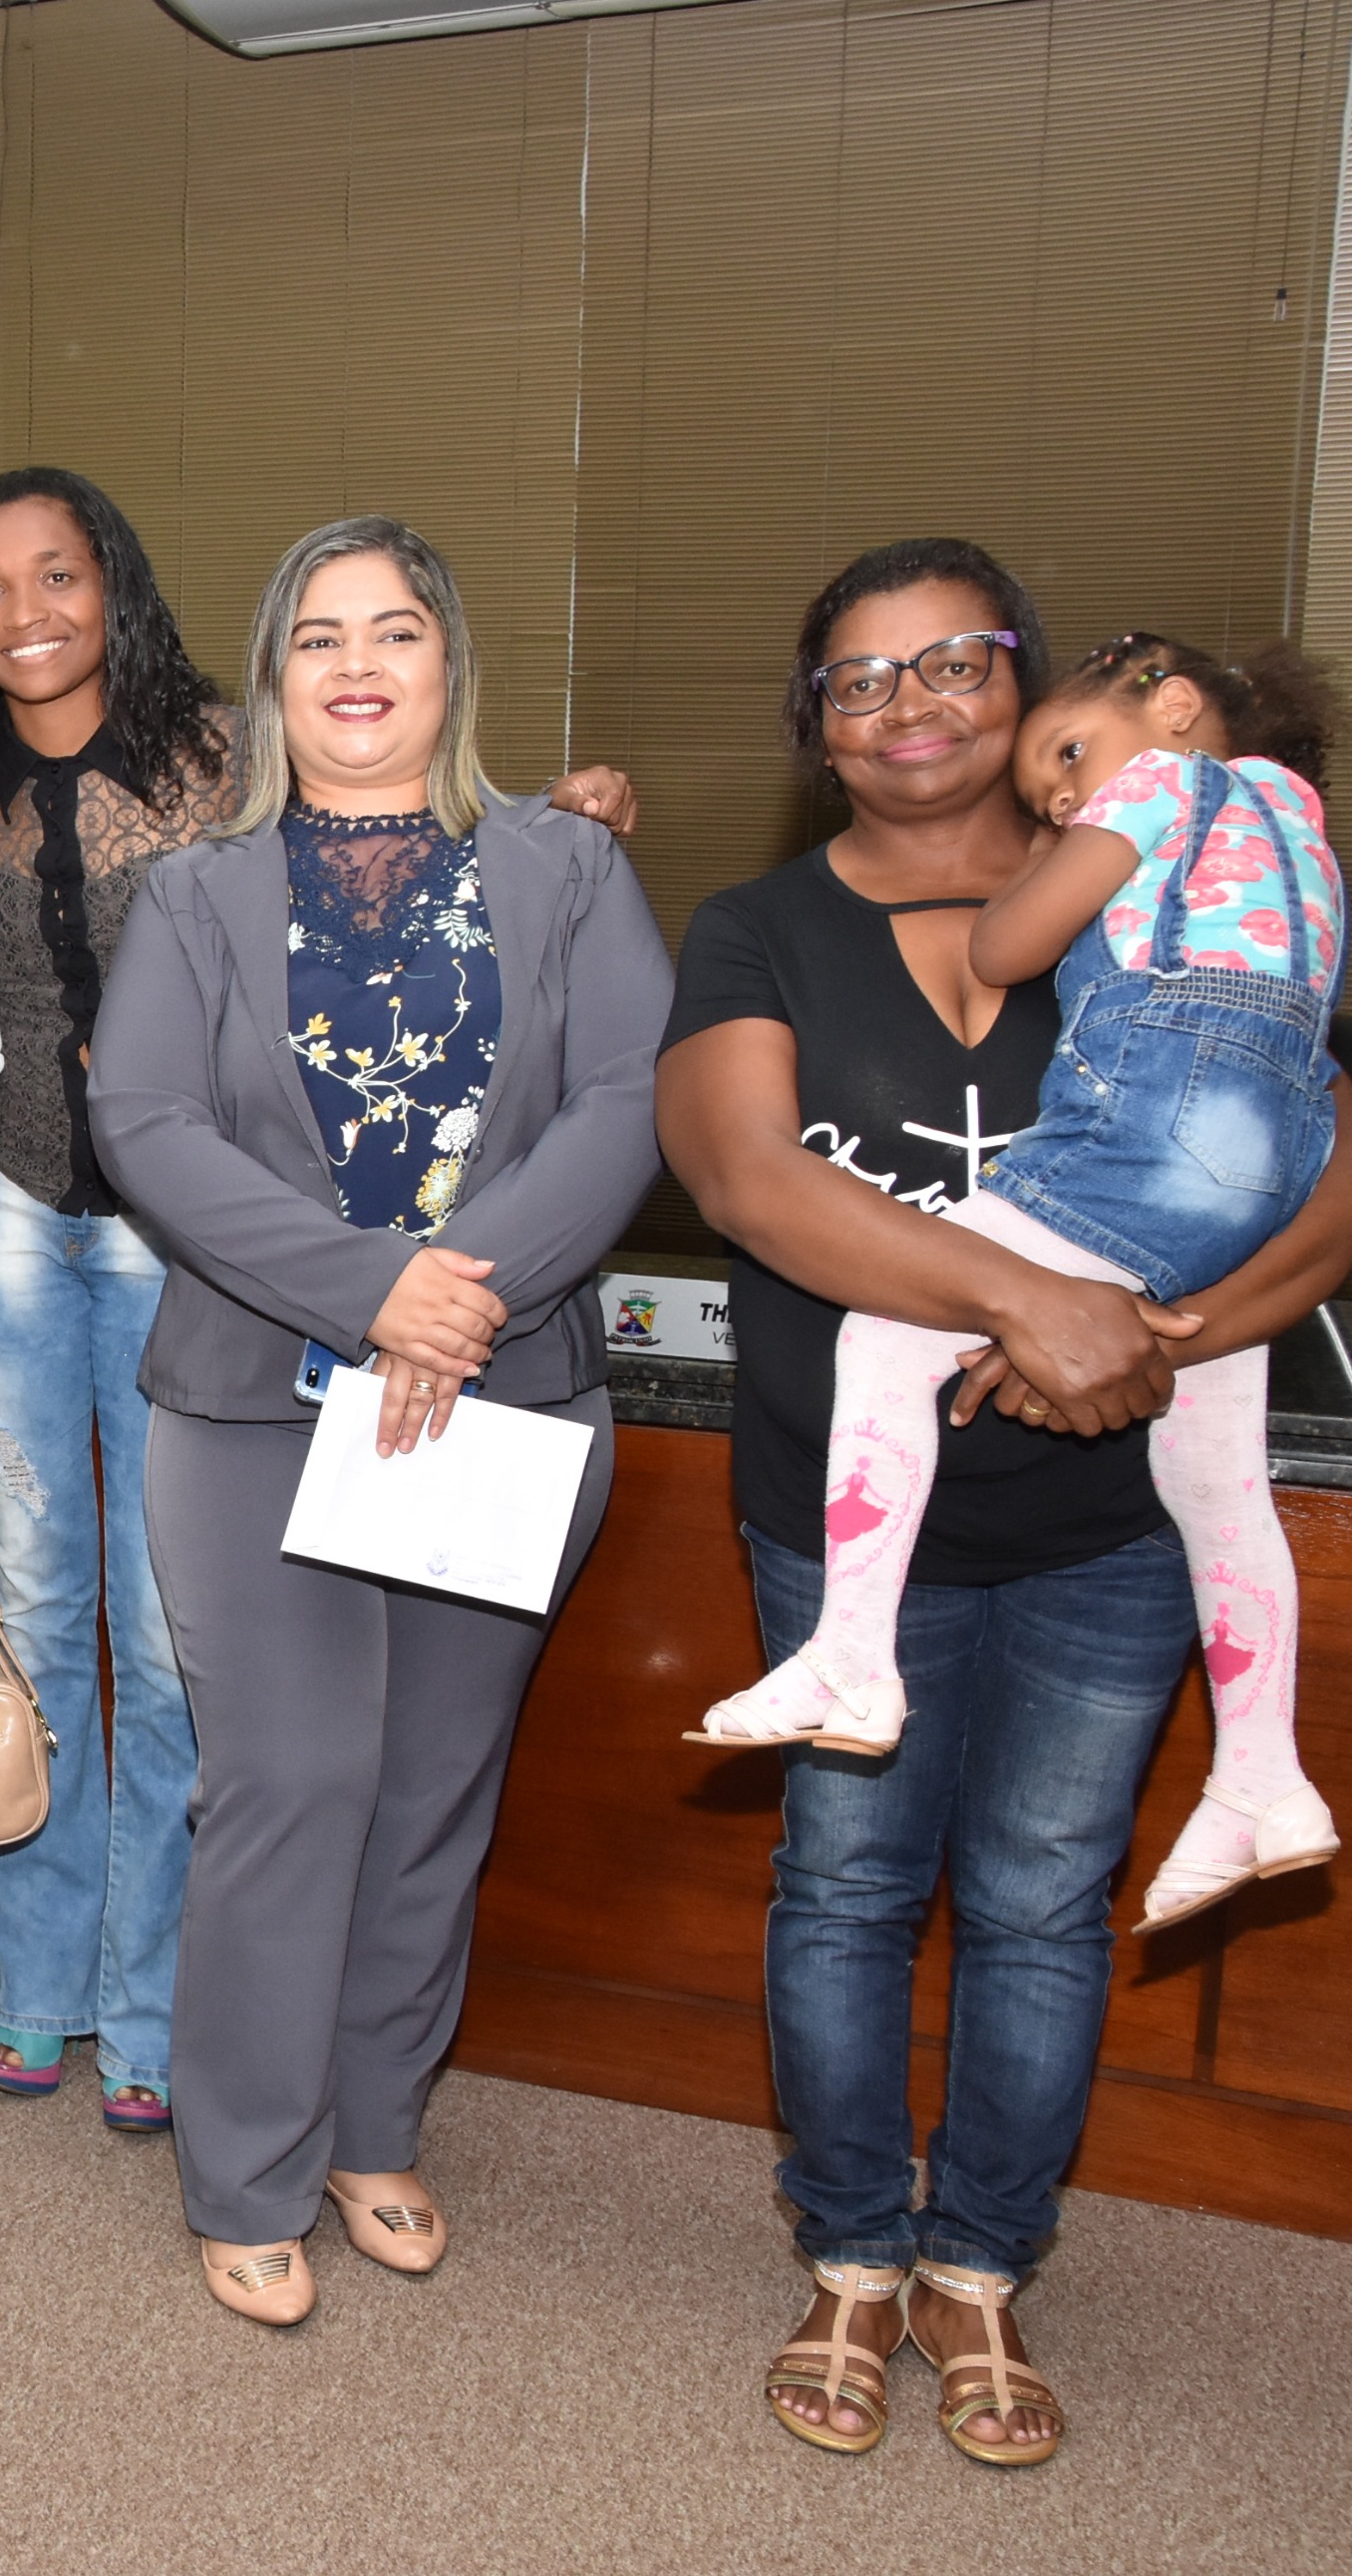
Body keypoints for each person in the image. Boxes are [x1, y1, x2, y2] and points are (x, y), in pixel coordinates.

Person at [656, 540, 1352, 2465]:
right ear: (815, 728)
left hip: (1105, 1526)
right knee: (844, 1884)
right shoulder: (758, 926)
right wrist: (1027, 1300)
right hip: (842, 1517)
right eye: (859, 679)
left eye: (953, 661)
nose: (909, 705)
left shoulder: (1186, 880)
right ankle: (850, 2248)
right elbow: (747, 1179)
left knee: (1044, 1898)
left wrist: (1152, 1335)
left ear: (1032, 685)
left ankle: (977, 2263)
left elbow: (1313, 1178)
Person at [0, 471, 648, 2133]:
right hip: (28, 1222)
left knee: (185, 1668)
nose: (24, 612)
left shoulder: (229, 752)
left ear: (120, 583)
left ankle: (155, 2008)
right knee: (42, 1618)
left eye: (57, 574)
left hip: (204, 1255)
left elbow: (425, 841)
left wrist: (571, 804)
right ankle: (44, 1974)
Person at [89, 517, 668, 2327]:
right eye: (319, 634)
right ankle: (247, 2163)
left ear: (448, 662)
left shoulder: (570, 866)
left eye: (395, 628)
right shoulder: (193, 894)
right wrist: (369, 1291)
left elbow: (629, 1097)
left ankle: (372, 2125)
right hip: (255, 1401)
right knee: (290, 1779)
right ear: (275, 680)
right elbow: (146, 1125)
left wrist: (456, 1292)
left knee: (428, 1788)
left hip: (504, 1393)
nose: (357, 663)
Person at [695, 630, 1342, 1933]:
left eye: (1067, 757)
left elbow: (1003, 948)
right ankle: (1263, 1776)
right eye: (1051, 790)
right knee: (1217, 1480)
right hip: (1268, 1160)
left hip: (1161, 1132)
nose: (1062, 798)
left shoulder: (1157, 787)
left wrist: (1052, 862)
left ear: (1171, 705)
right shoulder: (1298, 821)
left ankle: (851, 1655)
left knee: (885, 1337)